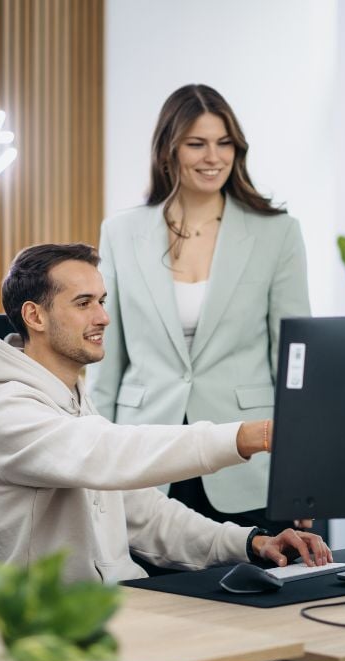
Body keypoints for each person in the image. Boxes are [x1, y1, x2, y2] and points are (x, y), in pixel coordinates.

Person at [0, 243, 330, 583]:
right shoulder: (6, 412)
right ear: (35, 316)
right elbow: (110, 453)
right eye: (84, 303)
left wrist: (250, 544)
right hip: (59, 627)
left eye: (102, 301)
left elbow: (143, 513)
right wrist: (250, 435)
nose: (104, 317)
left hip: (125, 603)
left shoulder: (69, 400)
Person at [86, 84, 311, 532]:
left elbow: (293, 363)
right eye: (197, 143)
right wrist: (94, 471)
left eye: (224, 143)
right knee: (151, 598)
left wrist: (303, 473)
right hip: (148, 455)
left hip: (247, 459)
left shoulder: (277, 233)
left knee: (259, 590)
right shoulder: (121, 233)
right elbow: (105, 362)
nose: (214, 157)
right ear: (169, 150)